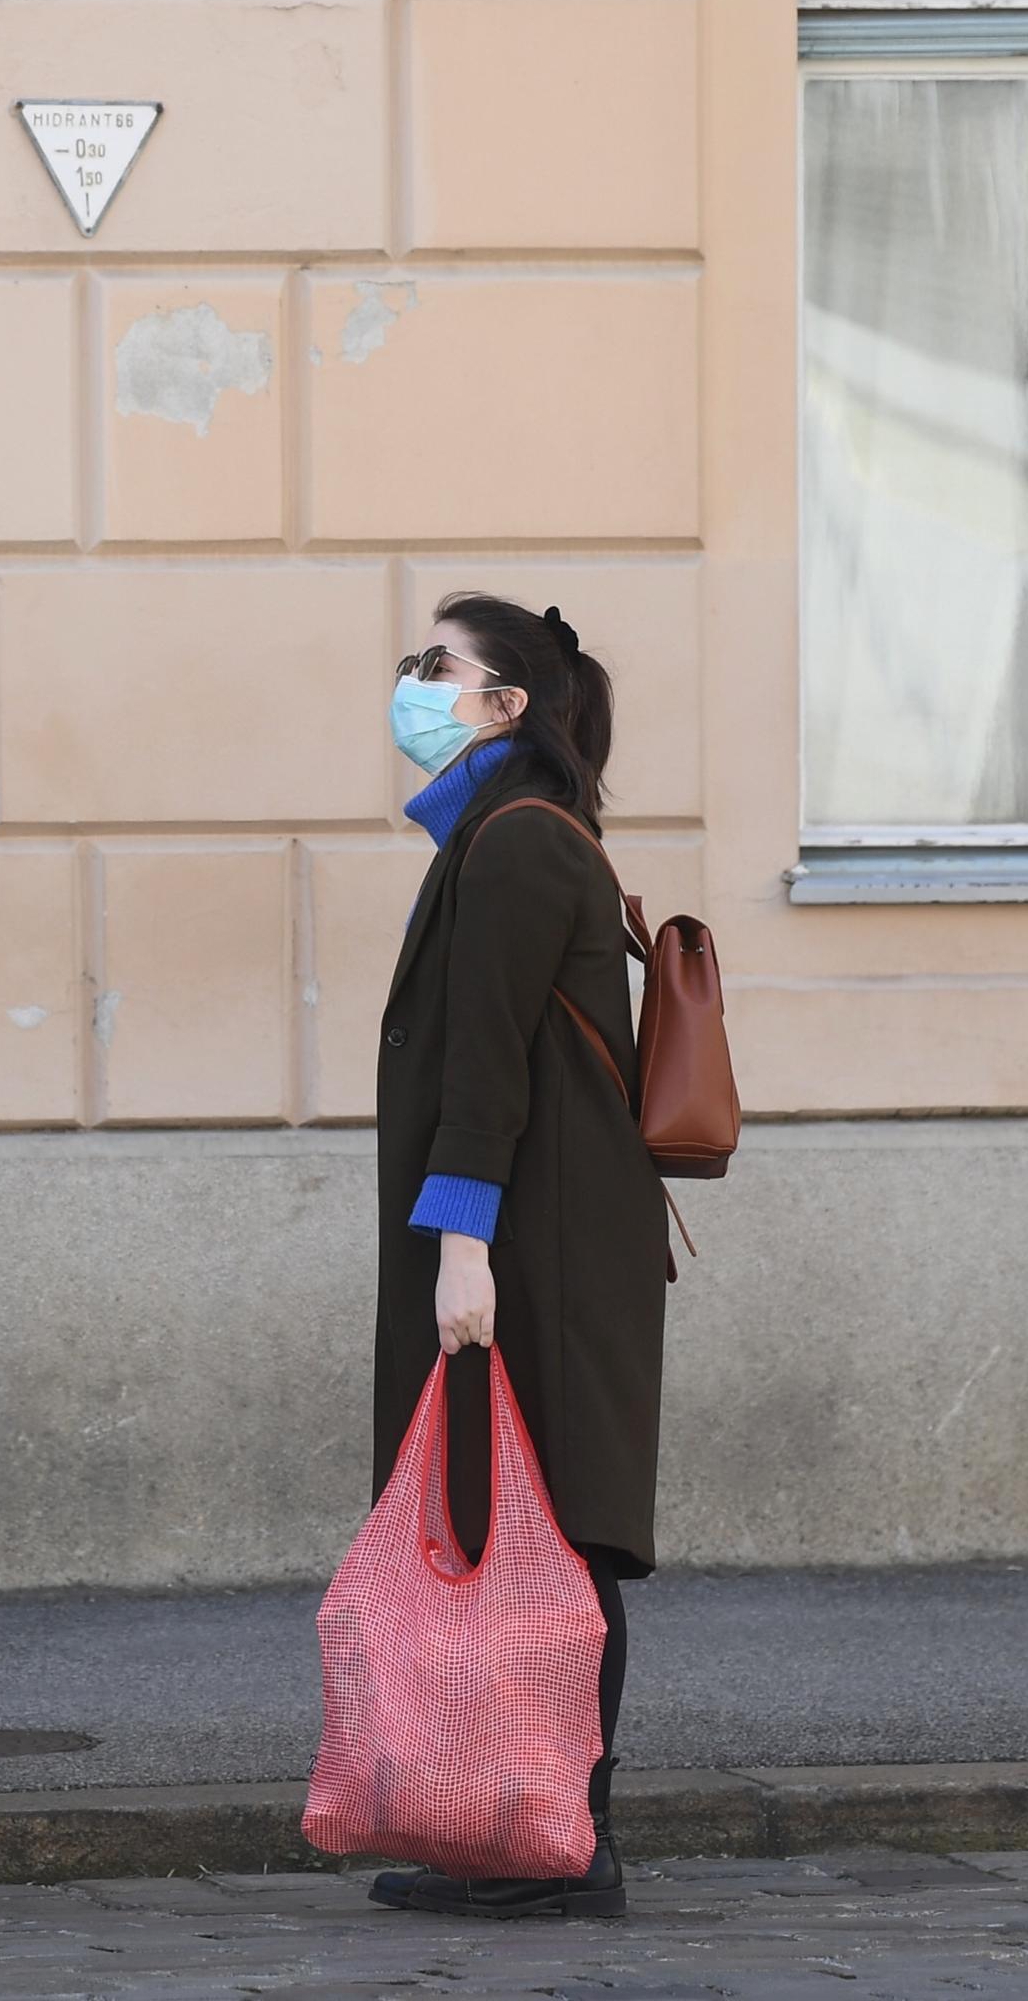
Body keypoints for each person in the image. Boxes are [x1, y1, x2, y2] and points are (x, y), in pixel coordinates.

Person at [362, 592, 674, 1922]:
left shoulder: (514, 848)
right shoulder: (505, 838)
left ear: (506, 708)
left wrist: (462, 1251)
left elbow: (486, 1078)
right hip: (538, 1237)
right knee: (509, 1540)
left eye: (440, 666)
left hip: (533, 1250)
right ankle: (519, 1830)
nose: (412, 683)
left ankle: (563, 1843)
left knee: (550, 1544)